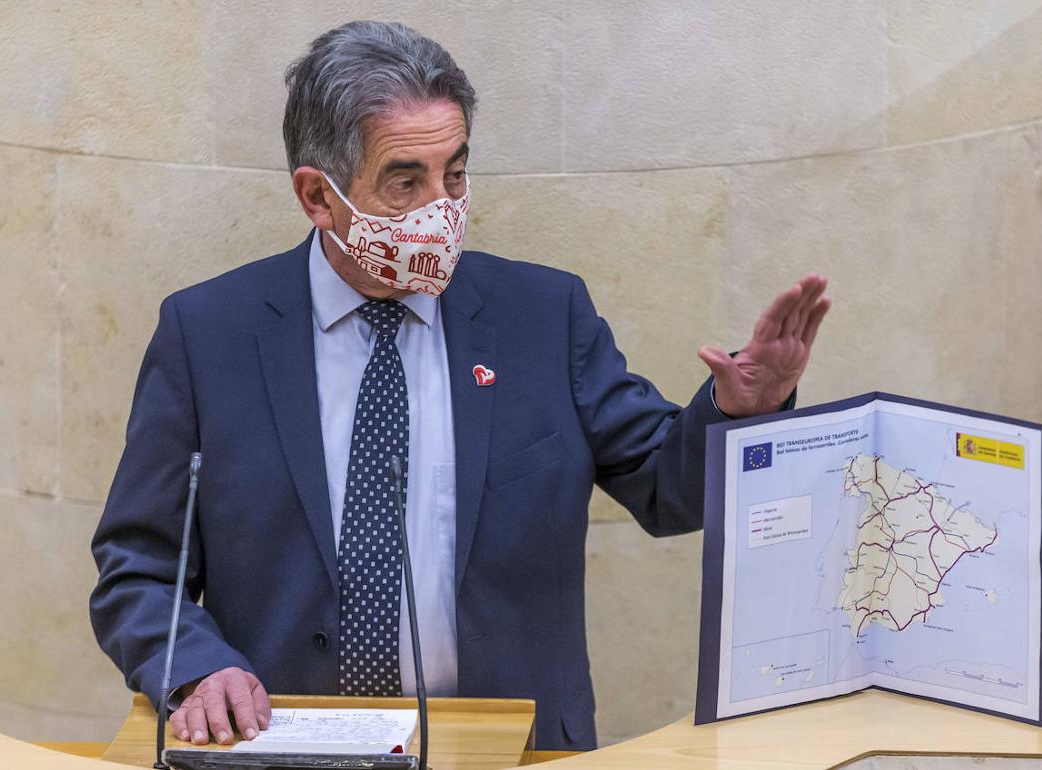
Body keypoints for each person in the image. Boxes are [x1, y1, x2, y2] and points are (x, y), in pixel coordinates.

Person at [89, 20, 830, 752]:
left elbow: (672, 493)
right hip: (284, 743)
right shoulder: (209, 335)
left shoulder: (544, 316)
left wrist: (741, 410)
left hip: (509, 746)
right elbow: (140, 567)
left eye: (457, 173)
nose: (442, 209)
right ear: (318, 197)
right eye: (405, 181)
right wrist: (193, 667)